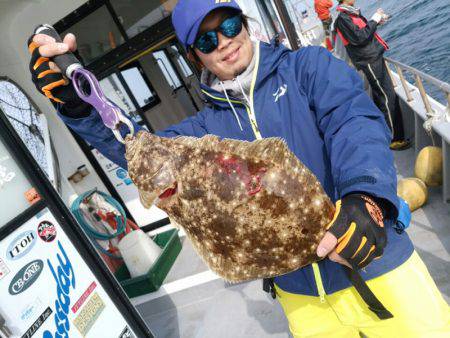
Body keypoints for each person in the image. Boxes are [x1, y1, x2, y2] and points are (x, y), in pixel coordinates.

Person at [28, 0, 449, 336]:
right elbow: (138, 152)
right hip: (301, 295)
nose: (224, 42)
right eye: (207, 41)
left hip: (375, 258)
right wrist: (79, 103)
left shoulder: (308, 68)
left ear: (244, 23)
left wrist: (366, 198)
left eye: (228, 26)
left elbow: (353, 121)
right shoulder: (201, 131)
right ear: (195, 56)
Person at [334, 0, 410, 151]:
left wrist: (377, 22)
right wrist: (374, 19)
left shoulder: (350, 14)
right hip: (369, 60)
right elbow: (360, 37)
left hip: (373, 57)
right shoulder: (343, 19)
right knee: (386, 97)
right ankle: (394, 139)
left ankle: (390, 134)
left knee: (384, 96)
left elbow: (363, 32)